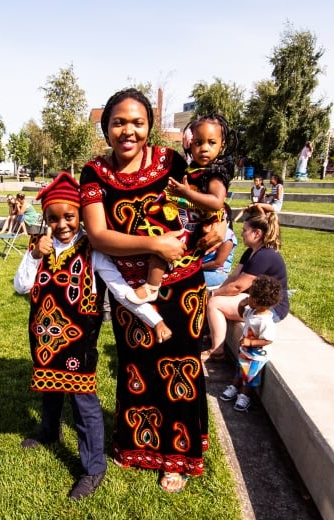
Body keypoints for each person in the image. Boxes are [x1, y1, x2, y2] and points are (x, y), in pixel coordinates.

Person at [80, 88, 225, 493]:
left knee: (180, 365)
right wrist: (155, 245)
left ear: (150, 127)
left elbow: (207, 196)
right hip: (131, 292)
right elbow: (97, 234)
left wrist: (219, 224)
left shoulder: (170, 162)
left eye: (138, 122)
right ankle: (137, 445)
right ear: (106, 127)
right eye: (119, 122)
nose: (128, 130)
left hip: (184, 285)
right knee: (137, 367)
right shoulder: (94, 172)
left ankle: (177, 458)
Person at [13, 172, 173, 500]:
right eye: (54, 218)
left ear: (81, 216)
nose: (62, 224)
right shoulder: (38, 247)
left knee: (84, 404)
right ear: (45, 219)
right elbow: (21, 287)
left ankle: (94, 467)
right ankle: (48, 431)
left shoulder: (93, 252)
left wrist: (152, 319)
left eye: (69, 216)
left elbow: (121, 290)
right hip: (45, 340)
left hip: (78, 344)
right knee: (49, 387)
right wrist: (34, 255)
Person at [127, 112, 230, 304]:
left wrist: (186, 194)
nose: (204, 149)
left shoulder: (216, 173)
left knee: (166, 242)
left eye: (211, 143)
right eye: (198, 143)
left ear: (222, 145)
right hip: (184, 213)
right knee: (159, 238)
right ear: (190, 144)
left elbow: (217, 202)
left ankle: (152, 286)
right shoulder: (191, 168)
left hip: (197, 221)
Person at [205, 212, 289, 363]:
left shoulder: (265, 255)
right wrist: (216, 292)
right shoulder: (251, 251)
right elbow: (234, 278)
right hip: (255, 300)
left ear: (257, 233)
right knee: (215, 298)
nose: (241, 233)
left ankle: (217, 351)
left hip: (271, 308)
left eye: (245, 230)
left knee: (214, 303)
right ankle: (213, 335)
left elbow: (238, 286)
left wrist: (212, 295)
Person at [218, 274, 285, 412]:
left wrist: (250, 342)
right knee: (239, 371)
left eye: (251, 295)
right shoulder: (252, 312)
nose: (248, 297)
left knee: (249, 378)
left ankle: (244, 396)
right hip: (244, 352)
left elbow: (267, 340)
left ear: (259, 301)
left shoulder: (266, 321)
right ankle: (234, 387)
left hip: (256, 356)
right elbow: (242, 314)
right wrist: (242, 306)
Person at [202, 204, 238, 289]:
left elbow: (217, 263)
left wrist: (195, 267)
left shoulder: (228, 237)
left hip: (216, 272)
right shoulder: (208, 231)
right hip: (204, 269)